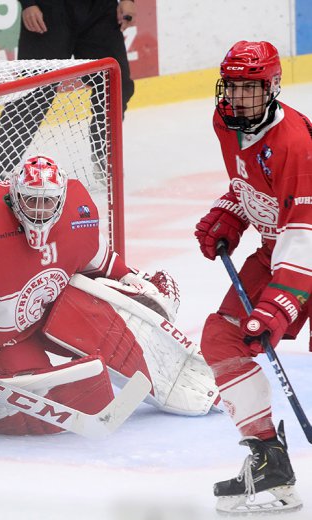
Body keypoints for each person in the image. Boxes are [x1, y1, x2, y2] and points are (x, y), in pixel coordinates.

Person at [0, 154, 217, 436]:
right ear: (14, 196)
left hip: (51, 310)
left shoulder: (78, 211)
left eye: (48, 202)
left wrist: (130, 278)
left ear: (62, 198)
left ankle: (180, 378)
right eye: (31, 200)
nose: (39, 211)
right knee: (46, 405)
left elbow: (96, 259)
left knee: (103, 315)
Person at [194, 40, 311, 515]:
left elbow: (304, 233)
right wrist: (232, 211)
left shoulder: (295, 144)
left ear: (273, 87)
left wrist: (280, 303)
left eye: (251, 88)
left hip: (302, 246)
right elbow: (250, 182)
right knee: (222, 338)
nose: (239, 98)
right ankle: (269, 462)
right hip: (276, 249)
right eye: (233, 86)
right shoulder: (225, 122)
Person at [0, 0, 136, 182]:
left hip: (99, 10)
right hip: (48, 11)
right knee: (35, 92)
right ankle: (4, 165)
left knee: (116, 82)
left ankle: (104, 154)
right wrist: (28, 3)